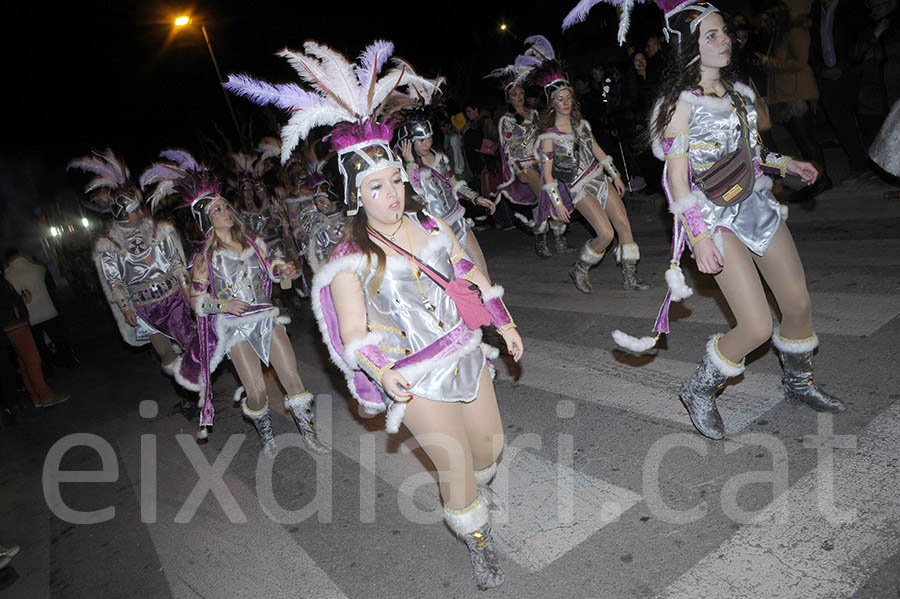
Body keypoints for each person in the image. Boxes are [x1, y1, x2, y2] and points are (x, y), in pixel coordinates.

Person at [226, 39, 524, 590]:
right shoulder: (348, 261)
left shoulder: (431, 225)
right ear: (354, 196)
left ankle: (473, 498)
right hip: (411, 373)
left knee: (490, 448)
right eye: (375, 187)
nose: (390, 194)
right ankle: (478, 538)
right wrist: (383, 372)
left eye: (393, 181)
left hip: (465, 351)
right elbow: (355, 335)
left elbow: (469, 274)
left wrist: (501, 321)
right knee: (455, 461)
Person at [607, 0, 846, 439]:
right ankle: (700, 387)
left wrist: (788, 164)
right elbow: (676, 181)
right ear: (688, 46)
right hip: (714, 217)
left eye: (724, 33)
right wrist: (698, 238)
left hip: (755, 205)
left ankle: (798, 381)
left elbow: (754, 157)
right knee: (755, 326)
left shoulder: (738, 93)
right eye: (710, 35)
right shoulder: (679, 105)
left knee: (798, 305)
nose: (724, 41)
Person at [143, 151, 329, 454]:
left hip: (267, 317)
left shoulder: (254, 240)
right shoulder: (203, 257)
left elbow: (272, 272)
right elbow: (197, 303)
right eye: (217, 210)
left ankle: (309, 436)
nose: (226, 211)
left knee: (292, 378)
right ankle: (267, 435)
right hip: (236, 328)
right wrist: (223, 305)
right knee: (256, 392)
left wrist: (284, 270)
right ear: (206, 219)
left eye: (224, 206)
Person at [528, 36, 651, 293]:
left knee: (624, 225)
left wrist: (615, 175)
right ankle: (580, 268)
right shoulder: (549, 137)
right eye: (559, 99)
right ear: (551, 103)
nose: (565, 102)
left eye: (568, 97)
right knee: (605, 234)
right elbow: (548, 176)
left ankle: (630, 277)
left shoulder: (583, 125)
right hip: (580, 189)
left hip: (600, 179)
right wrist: (559, 204)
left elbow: (599, 151)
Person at [69, 149, 196, 378]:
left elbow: (177, 264)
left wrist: (187, 292)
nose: (140, 212)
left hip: (175, 299)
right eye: (135, 210)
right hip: (145, 307)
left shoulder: (160, 230)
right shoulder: (109, 246)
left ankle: (200, 386)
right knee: (167, 356)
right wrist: (126, 308)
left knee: (191, 347)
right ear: (126, 215)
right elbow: (114, 282)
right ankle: (186, 386)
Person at [487, 43, 574, 257]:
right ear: (508, 98)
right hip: (525, 166)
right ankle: (544, 239)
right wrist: (518, 171)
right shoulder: (506, 121)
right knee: (547, 196)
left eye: (521, 93)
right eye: (514, 94)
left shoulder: (535, 114)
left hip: (543, 161)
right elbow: (507, 150)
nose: (519, 97)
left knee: (552, 197)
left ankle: (552, 237)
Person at [397, 108, 497, 279]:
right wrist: (411, 163)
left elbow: (454, 183)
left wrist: (476, 198)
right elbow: (416, 196)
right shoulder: (404, 168)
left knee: (482, 274)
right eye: (421, 140)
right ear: (409, 143)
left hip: (459, 221)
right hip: (436, 232)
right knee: (456, 281)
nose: (427, 143)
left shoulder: (439, 156)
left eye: (429, 138)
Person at [758, 2, 833, 198]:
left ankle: (821, 181)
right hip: (783, 95)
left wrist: (768, 61)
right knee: (802, 140)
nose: (764, 21)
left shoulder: (796, 30)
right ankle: (817, 180)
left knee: (806, 140)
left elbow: (800, 62)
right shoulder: (777, 34)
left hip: (796, 94)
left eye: (768, 16)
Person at [1, 276, 69, 407]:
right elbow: (7, 302)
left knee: (24, 361)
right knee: (32, 360)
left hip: (10, 325)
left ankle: (36, 396)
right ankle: (45, 395)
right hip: (15, 324)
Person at [4, 249, 78, 369]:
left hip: (30, 317)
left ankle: (47, 369)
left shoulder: (8, 276)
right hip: (48, 311)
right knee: (59, 339)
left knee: (39, 345)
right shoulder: (35, 269)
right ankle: (70, 361)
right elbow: (44, 269)